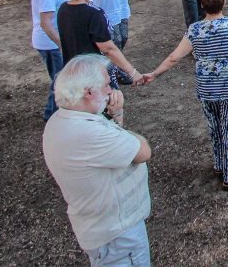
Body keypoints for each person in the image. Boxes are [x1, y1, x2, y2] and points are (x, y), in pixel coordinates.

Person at [143, 0, 228, 188]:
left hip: (207, 88)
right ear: (224, 2)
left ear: (201, 4)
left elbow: (175, 57)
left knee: (215, 128)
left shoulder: (194, 30)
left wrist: (155, 73)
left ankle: (220, 163)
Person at [42, 54, 152, 266]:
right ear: (88, 92)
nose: (111, 90)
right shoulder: (89, 134)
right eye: (106, 85)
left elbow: (115, 142)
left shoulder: (61, 120)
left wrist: (116, 115)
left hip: (101, 227)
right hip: (118, 236)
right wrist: (123, 125)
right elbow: (143, 152)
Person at [57, 0, 144, 86]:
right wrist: (133, 73)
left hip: (73, 70)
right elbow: (108, 48)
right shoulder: (93, 14)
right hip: (94, 73)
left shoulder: (63, 9)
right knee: (111, 103)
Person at [31, 0, 74, 120]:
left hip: (57, 41)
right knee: (60, 81)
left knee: (63, 79)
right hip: (51, 44)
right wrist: (62, 45)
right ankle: (52, 115)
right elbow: (46, 23)